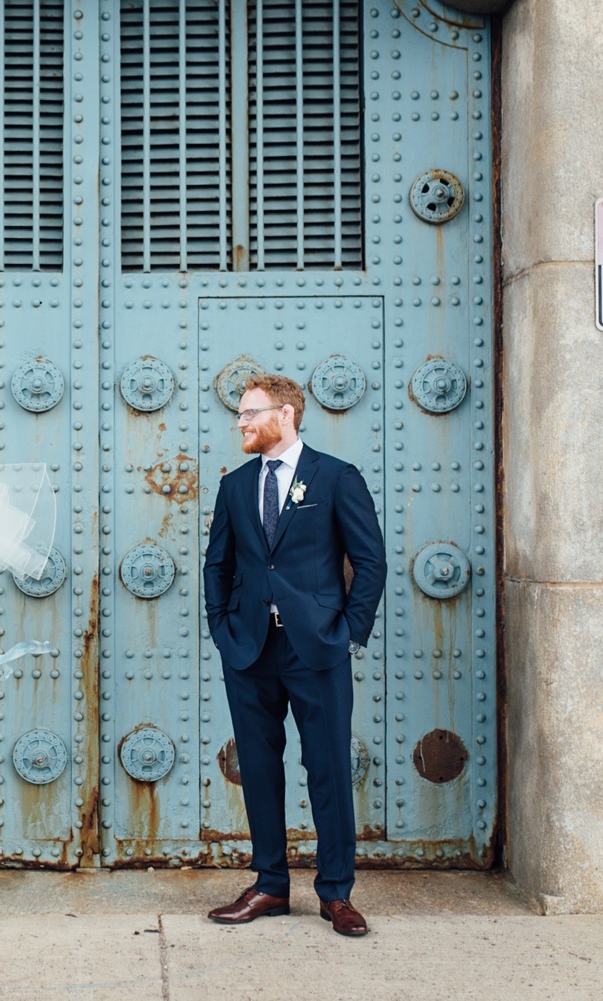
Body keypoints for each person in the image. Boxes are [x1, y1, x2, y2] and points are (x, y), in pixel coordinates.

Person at [201, 374, 386, 936]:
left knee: (327, 767)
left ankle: (336, 893)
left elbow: (370, 562)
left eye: (250, 412)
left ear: (285, 415)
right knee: (258, 769)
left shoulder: (335, 477)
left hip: (318, 648)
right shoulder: (235, 485)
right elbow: (219, 564)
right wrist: (222, 628)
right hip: (251, 649)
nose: (240, 421)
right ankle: (270, 886)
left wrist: (348, 634)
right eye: (239, 413)